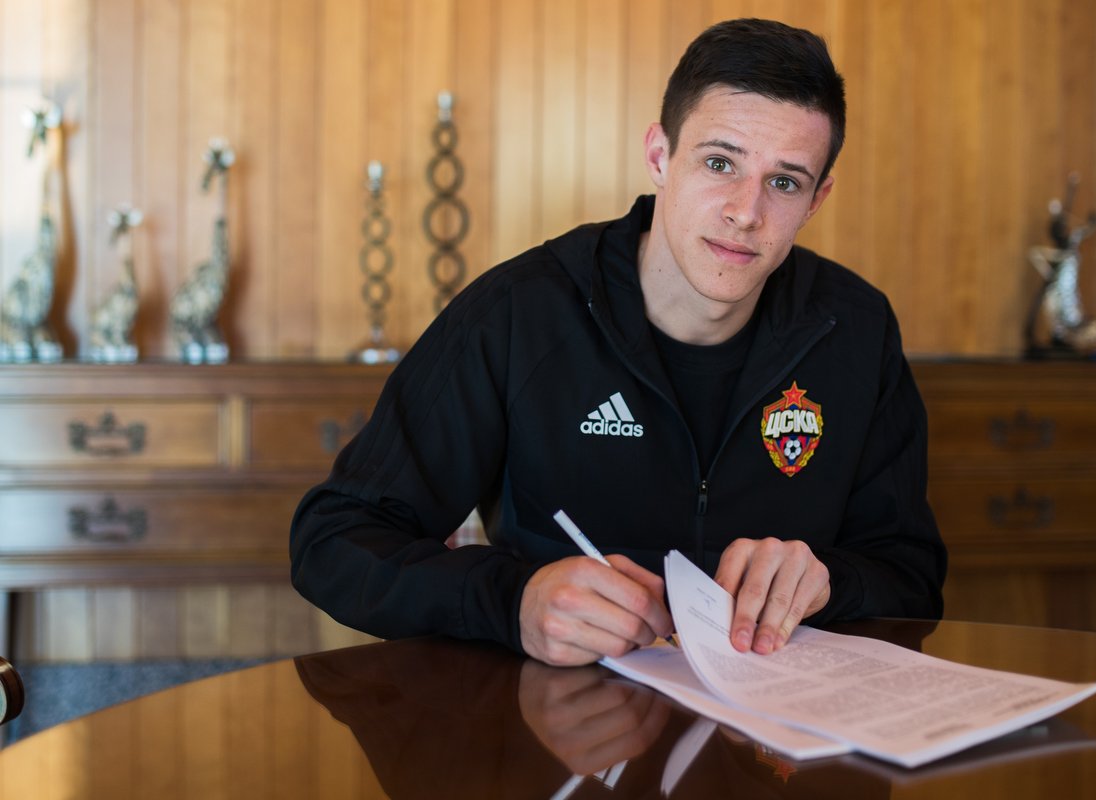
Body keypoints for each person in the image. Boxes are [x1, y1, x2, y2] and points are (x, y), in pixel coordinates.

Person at [290, 18, 946, 667]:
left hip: (778, 720)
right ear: (659, 155)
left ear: (816, 199)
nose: (746, 212)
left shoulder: (856, 328)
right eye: (720, 163)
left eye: (784, 182)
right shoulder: (518, 314)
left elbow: (912, 572)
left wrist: (830, 580)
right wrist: (513, 601)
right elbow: (333, 539)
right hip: (557, 714)